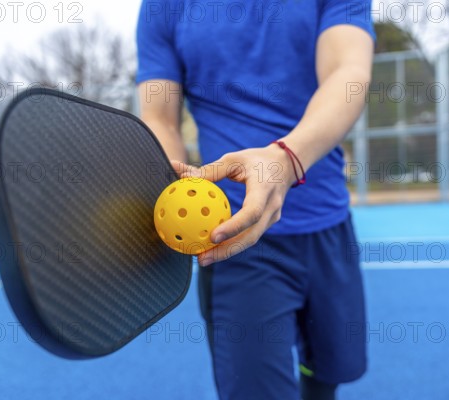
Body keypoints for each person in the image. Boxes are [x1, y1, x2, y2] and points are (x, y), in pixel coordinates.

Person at [136, 1, 375, 399]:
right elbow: (159, 116)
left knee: (328, 374)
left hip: (329, 225)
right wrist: (170, 185)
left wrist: (287, 158)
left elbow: (347, 73)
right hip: (234, 241)